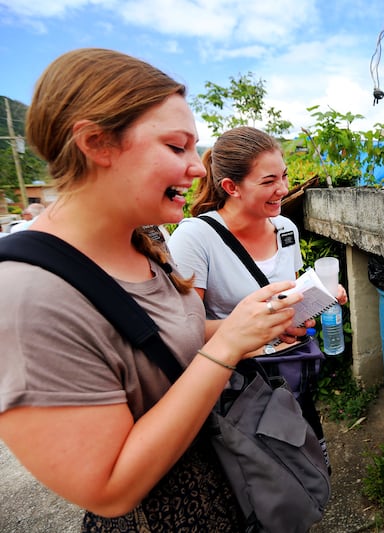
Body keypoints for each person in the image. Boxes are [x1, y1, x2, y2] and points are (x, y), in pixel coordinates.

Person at [0, 48, 308, 531]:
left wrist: (244, 328)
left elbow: (164, 339)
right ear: (97, 143)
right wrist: (227, 345)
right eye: (176, 147)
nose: (199, 169)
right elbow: (108, 489)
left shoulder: (145, 242)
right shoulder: (25, 295)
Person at [167, 126, 347, 470]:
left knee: (303, 467)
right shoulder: (196, 238)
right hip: (238, 388)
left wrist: (315, 302)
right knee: (262, 481)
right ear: (231, 187)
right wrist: (259, 328)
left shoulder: (285, 229)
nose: (282, 189)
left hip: (289, 377)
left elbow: (286, 298)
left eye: (284, 176)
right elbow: (182, 332)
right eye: (268, 182)